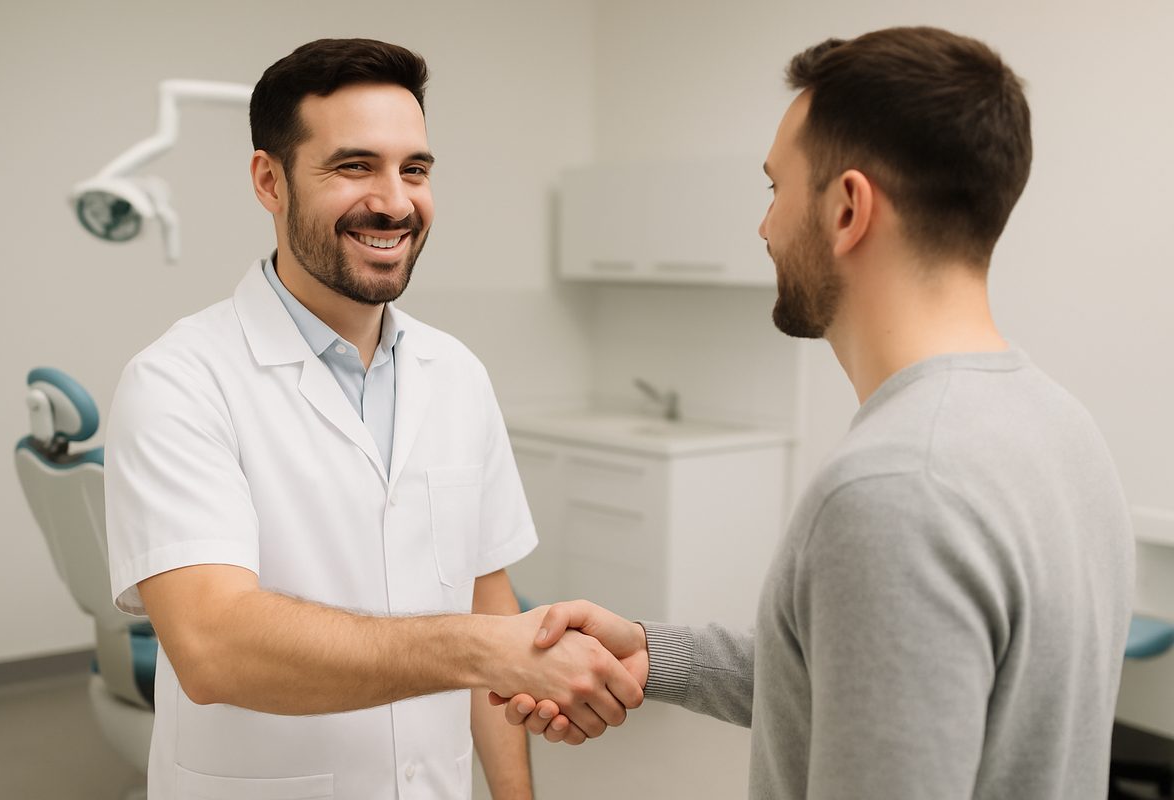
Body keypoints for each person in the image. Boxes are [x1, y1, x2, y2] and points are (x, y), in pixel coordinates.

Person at [498, 26, 1135, 799]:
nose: (764, 227)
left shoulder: (895, 488)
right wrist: (654, 653)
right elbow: (872, 682)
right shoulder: (1061, 426)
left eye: (776, 188)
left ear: (846, 209)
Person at [104, 38, 643, 800]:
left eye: (414, 169)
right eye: (354, 166)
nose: (394, 201)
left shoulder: (456, 374)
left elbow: (488, 601)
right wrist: (488, 650)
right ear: (270, 180)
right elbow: (212, 647)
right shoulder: (178, 381)